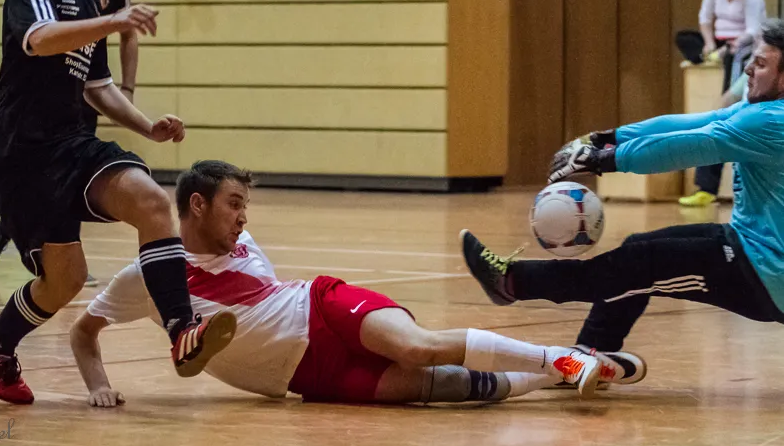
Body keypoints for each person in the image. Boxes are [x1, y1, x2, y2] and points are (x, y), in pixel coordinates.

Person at [0, 0, 236, 406]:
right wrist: (114, 19)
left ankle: (182, 331)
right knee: (65, 281)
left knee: (151, 199)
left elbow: (97, 88)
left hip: (70, 140)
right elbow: (39, 40)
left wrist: (145, 124)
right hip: (20, 150)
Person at [70, 160, 648, 408]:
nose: (243, 217)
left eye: (246, 206)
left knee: (417, 348)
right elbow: (83, 332)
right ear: (197, 205)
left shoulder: (242, 241)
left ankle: (562, 360)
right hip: (304, 377)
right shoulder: (147, 276)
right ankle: (559, 371)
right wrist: (99, 388)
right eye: (234, 204)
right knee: (447, 388)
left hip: (321, 306)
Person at [462, 18, 784, 355]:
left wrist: (604, 160)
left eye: (761, 64)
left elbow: (688, 146)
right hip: (748, 245)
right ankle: (592, 353)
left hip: (764, 276)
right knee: (636, 250)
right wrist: (608, 138)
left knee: (638, 265)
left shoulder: (770, 121)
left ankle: (513, 281)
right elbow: (694, 123)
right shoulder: (761, 108)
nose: (748, 69)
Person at [0, 0, 139, 288]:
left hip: (79, 98)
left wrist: (129, 91)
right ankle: (11, 225)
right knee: (36, 177)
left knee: (71, 175)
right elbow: (20, 52)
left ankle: (64, 257)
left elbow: (125, 42)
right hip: (29, 113)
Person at [676, 0, 766, 207]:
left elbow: (753, 31)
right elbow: (705, 19)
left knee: (726, 117)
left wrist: (729, 50)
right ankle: (706, 187)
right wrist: (709, 45)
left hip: (741, 46)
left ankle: (721, 187)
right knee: (685, 38)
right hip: (720, 43)